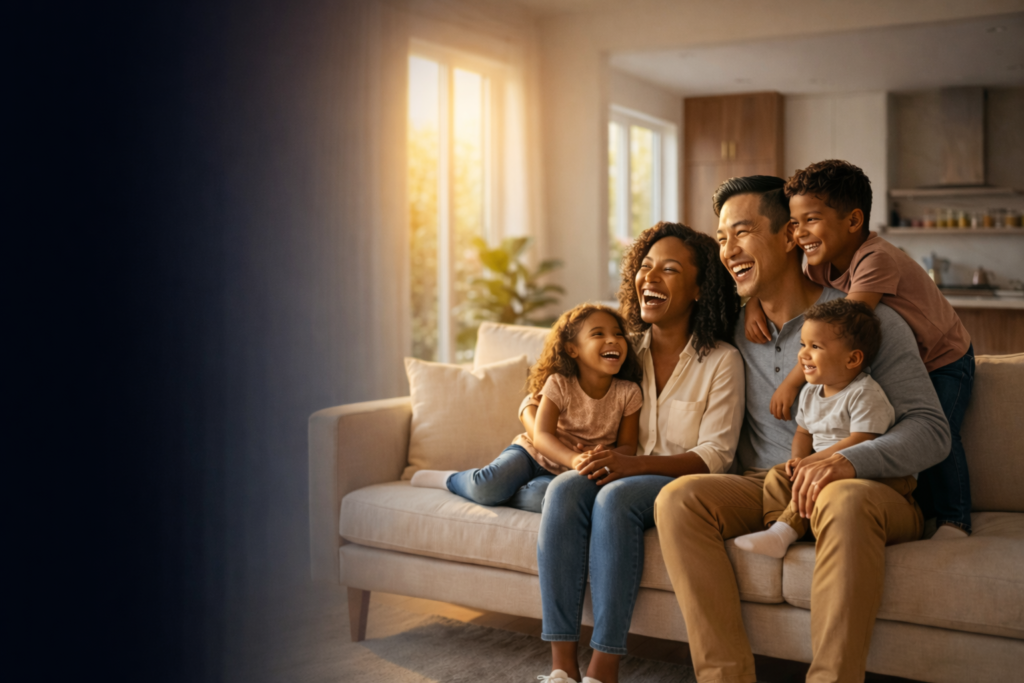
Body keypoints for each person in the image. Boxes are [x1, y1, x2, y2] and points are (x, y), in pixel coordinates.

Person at [654, 176, 950, 683]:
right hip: (772, 483)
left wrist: (845, 461)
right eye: (722, 238)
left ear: (791, 235)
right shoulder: (731, 326)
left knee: (844, 498)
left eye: (742, 232)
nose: (728, 250)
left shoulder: (861, 324)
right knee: (678, 499)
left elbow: (931, 430)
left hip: (864, 488)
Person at [530, 223, 746, 683]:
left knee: (616, 497)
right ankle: (562, 670)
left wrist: (633, 465)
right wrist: (542, 425)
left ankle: (603, 669)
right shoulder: (621, 351)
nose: (650, 277)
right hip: (619, 469)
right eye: (645, 266)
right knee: (564, 489)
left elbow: (716, 454)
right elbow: (547, 393)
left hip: (680, 482)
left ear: (699, 289)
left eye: (670, 269)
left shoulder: (722, 361)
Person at [743, 160, 975, 539]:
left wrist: (791, 383)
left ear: (853, 221)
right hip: (907, 354)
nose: (800, 233)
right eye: (795, 223)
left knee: (941, 429)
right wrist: (753, 302)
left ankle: (956, 519)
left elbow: (843, 329)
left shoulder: (876, 259)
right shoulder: (821, 263)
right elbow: (779, 277)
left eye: (811, 220)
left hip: (944, 356)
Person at [410, 304, 643, 514]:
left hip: (570, 473)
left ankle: (505, 491)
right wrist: (574, 459)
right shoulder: (559, 384)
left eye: (618, 334)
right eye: (598, 334)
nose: (613, 340)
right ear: (573, 349)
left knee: (543, 498)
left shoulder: (629, 392)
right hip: (532, 454)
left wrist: (604, 458)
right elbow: (541, 435)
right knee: (487, 487)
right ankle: (449, 479)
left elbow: (628, 446)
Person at [734, 298, 915, 558]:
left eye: (815, 346)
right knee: (777, 476)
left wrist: (814, 462)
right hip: (823, 466)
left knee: (821, 483)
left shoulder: (864, 393)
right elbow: (803, 432)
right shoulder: (810, 392)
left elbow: (862, 440)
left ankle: (786, 530)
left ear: (852, 359)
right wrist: (798, 459)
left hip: (868, 474)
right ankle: (778, 529)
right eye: (802, 344)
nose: (803, 354)